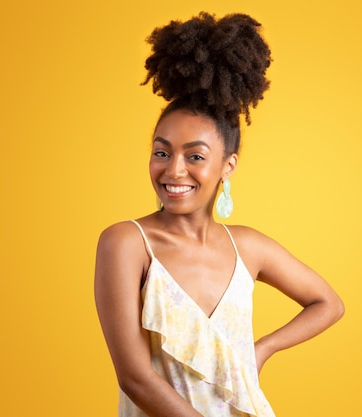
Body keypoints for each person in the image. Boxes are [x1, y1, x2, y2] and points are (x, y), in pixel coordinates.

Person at [94, 12, 344, 417]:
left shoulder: (247, 246)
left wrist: (262, 349)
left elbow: (328, 303)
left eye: (195, 156)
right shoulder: (125, 243)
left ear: (228, 166)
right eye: (162, 152)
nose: (174, 170)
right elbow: (135, 377)